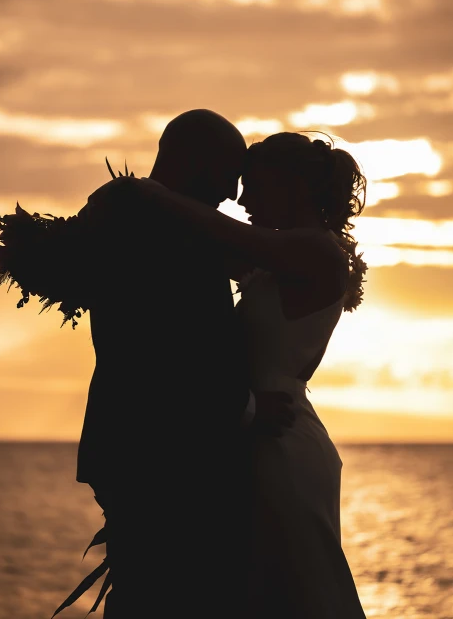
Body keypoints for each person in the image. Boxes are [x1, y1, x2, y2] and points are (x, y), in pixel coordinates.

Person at [95, 130, 368, 618]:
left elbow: (221, 233)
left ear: (294, 189)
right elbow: (191, 249)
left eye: (256, 186)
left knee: (296, 588)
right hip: (255, 432)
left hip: (281, 439)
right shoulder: (276, 257)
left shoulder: (317, 253)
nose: (242, 199)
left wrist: (155, 193)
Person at [76, 111, 295, 619]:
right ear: (194, 160)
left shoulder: (151, 219)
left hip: (150, 452)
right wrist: (244, 408)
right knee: (168, 594)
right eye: (229, 173)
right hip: (163, 457)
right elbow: (160, 352)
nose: (232, 192)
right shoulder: (154, 227)